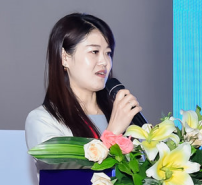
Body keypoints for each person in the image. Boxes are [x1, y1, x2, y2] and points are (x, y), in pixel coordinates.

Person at [25, 13, 142, 152]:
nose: (104, 62)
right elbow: (69, 166)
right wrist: (112, 133)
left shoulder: (119, 114)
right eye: (94, 52)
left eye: (108, 53)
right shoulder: (43, 120)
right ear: (65, 57)